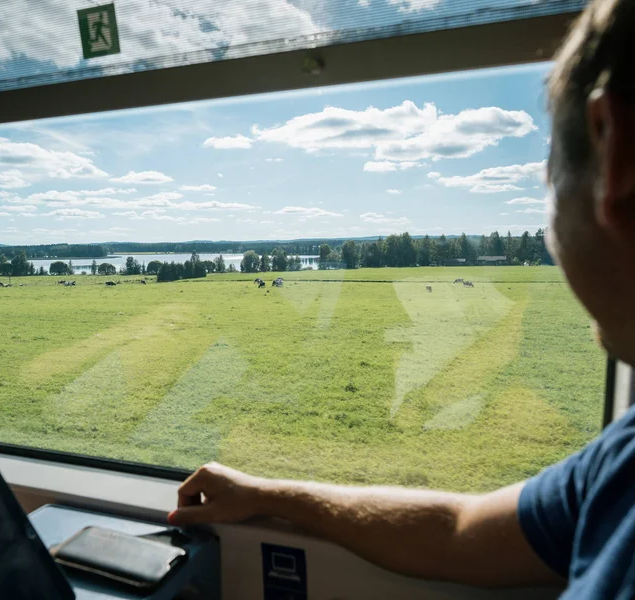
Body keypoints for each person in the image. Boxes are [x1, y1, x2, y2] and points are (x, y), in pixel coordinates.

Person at [168, 0, 635, 595]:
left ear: (613, 151)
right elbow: (458, 529)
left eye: (547, 179)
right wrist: (267, 494)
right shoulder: (623, 457)